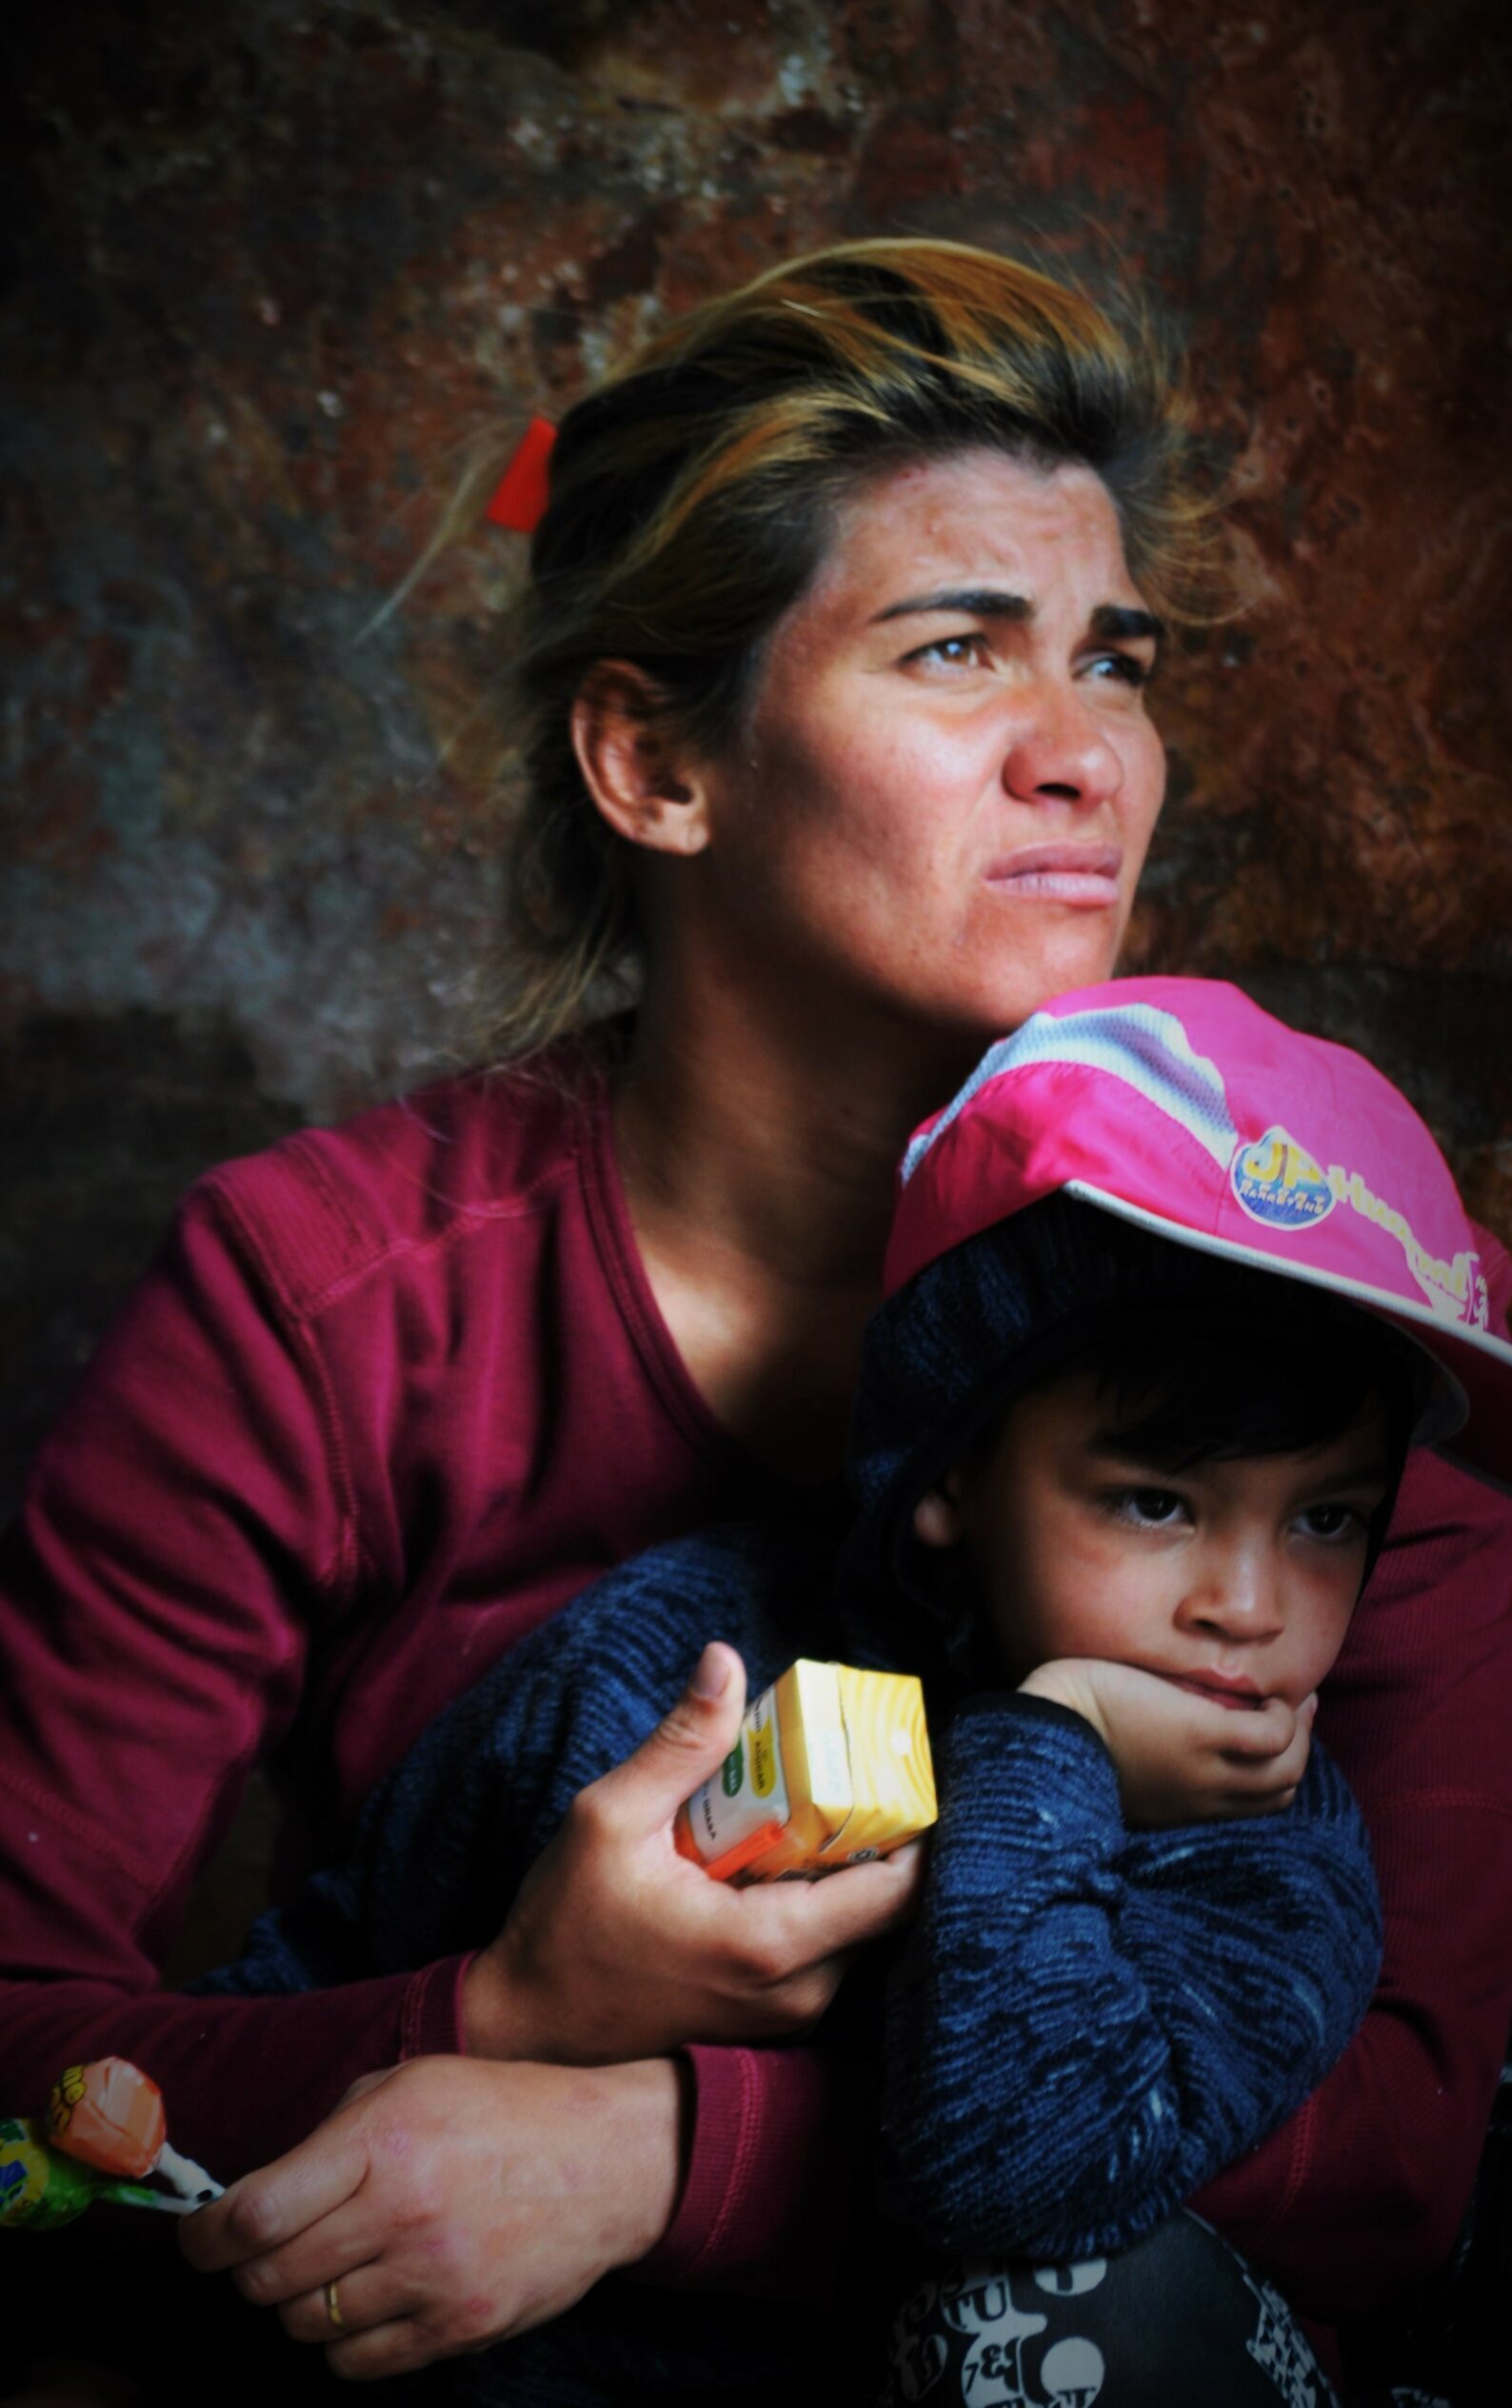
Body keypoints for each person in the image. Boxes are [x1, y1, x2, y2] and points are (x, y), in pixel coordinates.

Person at [2, 240, 1509, 2396]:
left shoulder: (1319, 1287)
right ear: (653, 761)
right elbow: (15, 2027)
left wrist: (651, 2143)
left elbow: (1391, 2155)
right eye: (952, 648)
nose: (1084, 753)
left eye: (1116, 657)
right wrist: (503, 2007)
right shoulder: (321, 1298)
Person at [187, 974, 1512, 2405]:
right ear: (951, 1471)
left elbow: (1021, 2168)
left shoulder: (1266, 1864)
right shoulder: (694, 1655)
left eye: (1326, 1522)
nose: (1245, 1609)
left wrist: (1046, 1743)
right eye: (1153, 1503)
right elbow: (346, 1953)